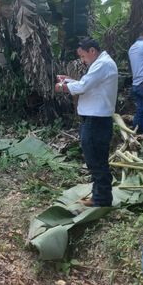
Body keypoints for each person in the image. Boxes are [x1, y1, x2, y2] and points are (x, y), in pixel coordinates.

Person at [55, 38, 118, 207]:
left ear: (92, 51)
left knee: (96, 160)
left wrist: (63, 87)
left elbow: (83, 87)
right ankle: (99, 196)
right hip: (94, 119)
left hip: (95, 120)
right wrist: (69, 80)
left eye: (83, 56)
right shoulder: (102, 64)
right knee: (95, 159)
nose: (83, 60)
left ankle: (102, 199)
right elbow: (87, 85)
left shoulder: (102, 64)